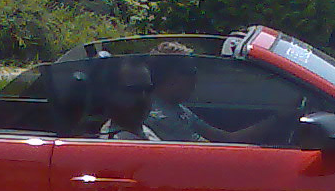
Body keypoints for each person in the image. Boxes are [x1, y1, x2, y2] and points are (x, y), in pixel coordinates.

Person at [143, 41, 290, 145]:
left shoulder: (176, 108)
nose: (195, 78)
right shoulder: (162, 117)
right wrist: (277, 120)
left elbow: (225, 138)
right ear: (170, 77)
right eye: (191, 72)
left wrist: (275, 120)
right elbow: (217, 150)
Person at [98, 62, 161, 141]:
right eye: (134, 90)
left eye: (148, 89)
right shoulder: (115, 143)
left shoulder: (145, 131)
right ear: (112, 94)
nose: (143, 97)